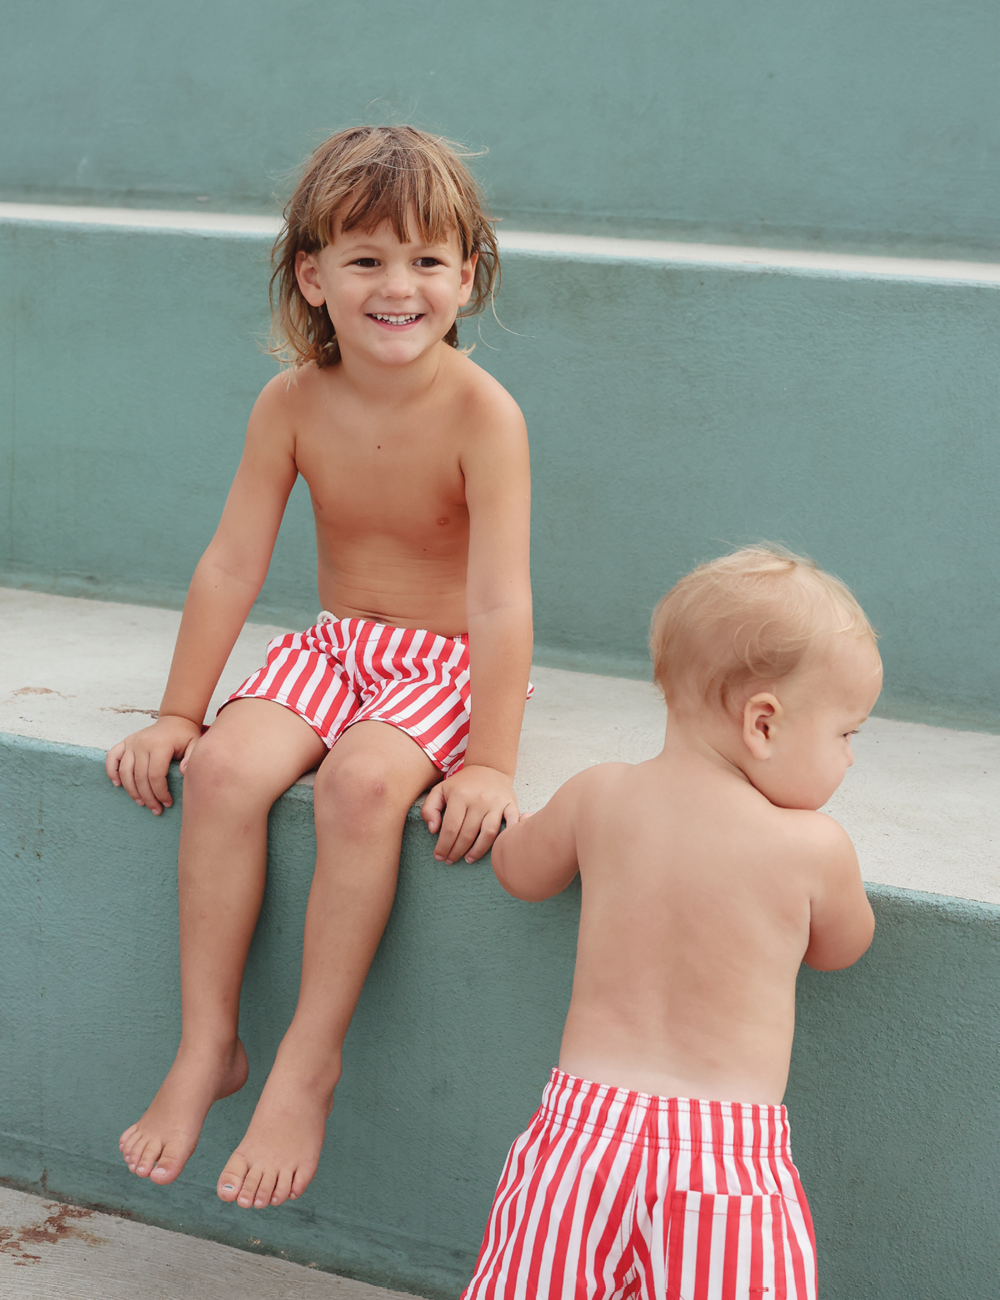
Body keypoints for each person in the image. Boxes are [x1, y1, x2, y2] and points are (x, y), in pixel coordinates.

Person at [106, 125, 532, 1212]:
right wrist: (175, 712)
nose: (400, 286)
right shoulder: (291, 403)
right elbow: (232, 562)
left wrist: (488, 761)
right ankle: (211, 1043)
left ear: (467, 276)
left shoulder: (484, 415)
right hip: (340, 645)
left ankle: (307, 1061)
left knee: (357, 784)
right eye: (367, 259)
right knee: (226, 771)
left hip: (447, 659)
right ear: (313, 273)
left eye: (428, 260)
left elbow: (499, 599)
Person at [464, 545, 882, 1300]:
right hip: (725, 1167)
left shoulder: (600, 796)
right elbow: (843, 948)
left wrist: (507, 815)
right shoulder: (813, 848)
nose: (850, 759)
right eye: (847, 734)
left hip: (578, 1144)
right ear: (764, 723)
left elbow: (518, 872)